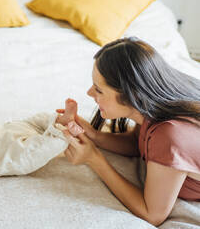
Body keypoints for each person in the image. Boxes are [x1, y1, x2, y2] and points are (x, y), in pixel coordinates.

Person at [58, 37, 200, 226]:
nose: (89, 93)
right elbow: (139, 143)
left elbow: (152, 214)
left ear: (131, 95)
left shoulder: (170, 135)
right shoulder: (153, 103)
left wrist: (93, 159)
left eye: (99, 90)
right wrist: (94, 135)